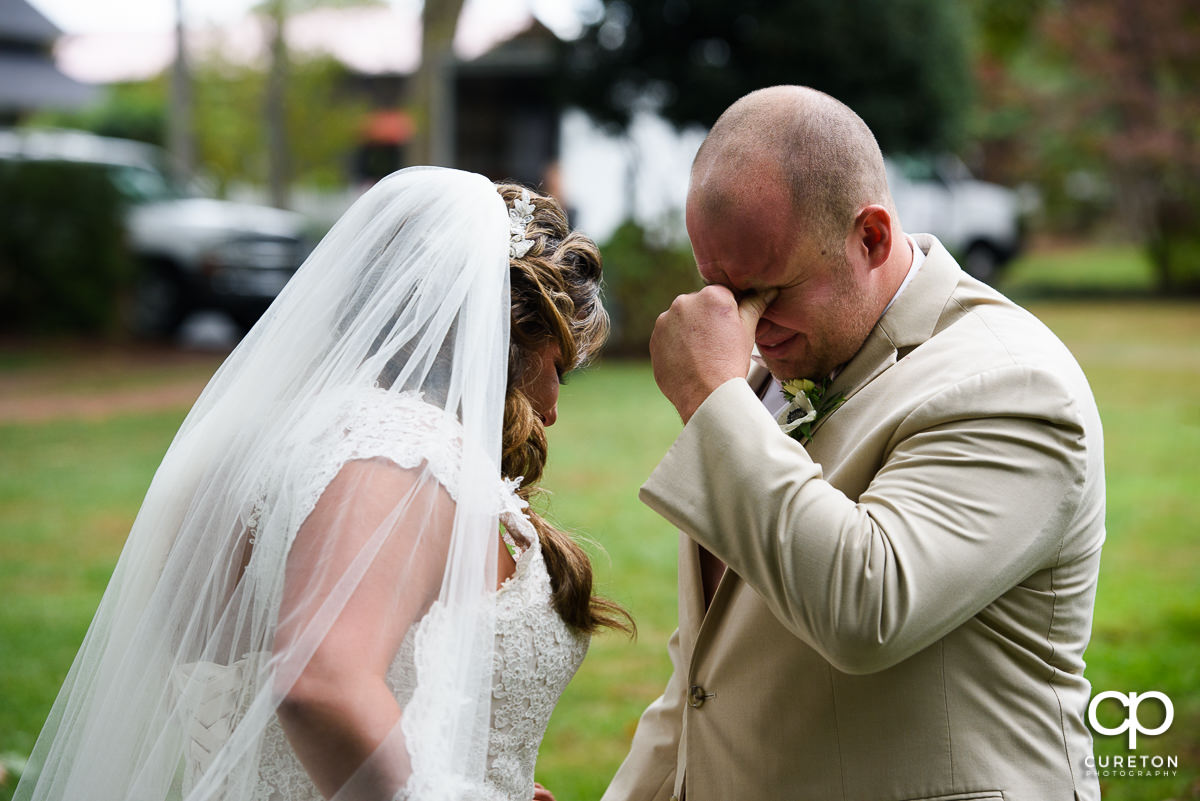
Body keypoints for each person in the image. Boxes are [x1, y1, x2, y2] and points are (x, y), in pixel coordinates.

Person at [15, 166, 629, 801]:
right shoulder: (402, 450)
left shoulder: (284, 446)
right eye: (560, 368)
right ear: (503, 341)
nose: (553, 409)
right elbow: (320, 681)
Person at [602, 86, 1104, 801]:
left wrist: (711, 403)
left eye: (768, 289)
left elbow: (866, 610)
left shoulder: (1012, 380)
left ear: (869, 236)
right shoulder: (760, 381)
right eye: (715, 286)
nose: (741, 321)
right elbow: (704, 679)